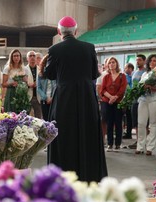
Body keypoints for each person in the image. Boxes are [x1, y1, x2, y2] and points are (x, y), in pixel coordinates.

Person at [44, 16, 107, 182]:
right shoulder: (89, 47)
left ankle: (62, 174)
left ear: (59, 32)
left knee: (64, 134)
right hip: (86, 97)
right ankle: (89, 175)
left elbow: (49, 74)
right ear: (76, 31)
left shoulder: (54, 49)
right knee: (87, 132)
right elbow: (95, 73)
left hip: (64, 98)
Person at [136, 54, 156, 156]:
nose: (151, 63)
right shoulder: (145, 74)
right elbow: (140, 86)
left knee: (153, 124)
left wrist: (153, 87)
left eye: (154, 61)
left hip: (155, 99)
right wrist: (142, 87)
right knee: (141, 123)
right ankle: (140, 146)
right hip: (143, 99)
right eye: (150, 61)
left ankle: (150, 147)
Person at [100, 57, 127, 151]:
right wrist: (110, 97)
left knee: (118, 123)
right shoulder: (106, 77)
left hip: (118, 103)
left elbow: (123, 89)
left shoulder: (122, 76)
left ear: (116, 64)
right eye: (110, 62)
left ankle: (118, 144)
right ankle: (110, 144)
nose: (112, 64)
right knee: (109, 123)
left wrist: (115, 97)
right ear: (107, 65)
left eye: (113, 62)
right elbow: (102, 90)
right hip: (108, 102)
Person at [128, 54, 146, 149]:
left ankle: (143, 141)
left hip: (143, 99)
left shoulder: (146, 72)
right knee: (135, 121)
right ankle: (138, 140)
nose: (137, 61)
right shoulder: (134, 72)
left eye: (139, 60)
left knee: (143, 122)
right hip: (134, 100)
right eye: (136, 60)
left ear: (144, 61)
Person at [37, 54, 56, 121]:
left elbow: (57, 87)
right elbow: (38, 88)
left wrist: (52, 98)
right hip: (44, 100)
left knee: (53, 120)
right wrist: (46, 98)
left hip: (54, 100)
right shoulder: (40, 74)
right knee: (45, 120)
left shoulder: (56, 73)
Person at [25, 51, 42, 118]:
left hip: (38, 97)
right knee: (26, 118)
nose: (32, 57)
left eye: (34, 56)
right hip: (28, 97)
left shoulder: (40, 69)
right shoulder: (24, 69)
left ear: (36, 58)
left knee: (39, 118)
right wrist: (29, 85)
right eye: (30, 56)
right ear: (27, 58)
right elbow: (21, 84)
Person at [123, 63, 134, 139]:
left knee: (130, 117)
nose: (125, 69)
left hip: (130, 99)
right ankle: (128, 132)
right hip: (127, 99)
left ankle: (129, 133)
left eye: (126, 68)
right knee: (128, 117)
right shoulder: (126, 76)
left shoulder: (131, 77)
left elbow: (129, 88)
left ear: (130, 69)